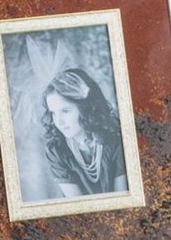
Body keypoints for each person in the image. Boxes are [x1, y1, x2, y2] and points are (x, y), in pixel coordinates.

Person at [40, 66, 128, 198]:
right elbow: (78, 205)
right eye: (53, 113)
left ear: (85, 109)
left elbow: (123, 198)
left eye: (65, 111)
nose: (58, 121)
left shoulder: (115, 138)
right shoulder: (56, 149)